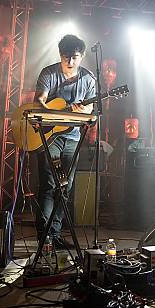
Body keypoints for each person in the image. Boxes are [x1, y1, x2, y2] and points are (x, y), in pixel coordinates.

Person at [34, 34, 96, 248]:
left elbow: (89, 110)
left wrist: (83, 109)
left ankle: (56, 234)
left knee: (65, 187)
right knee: (49, 184)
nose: (70, 62)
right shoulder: (49, 73)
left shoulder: (88, 79)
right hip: (50, 136)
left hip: (73, 138)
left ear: (83, 56)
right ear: (60, 55)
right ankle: (45, 236)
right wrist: (52, 111)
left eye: (75, 57)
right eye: (66, 57)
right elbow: (39, 99)